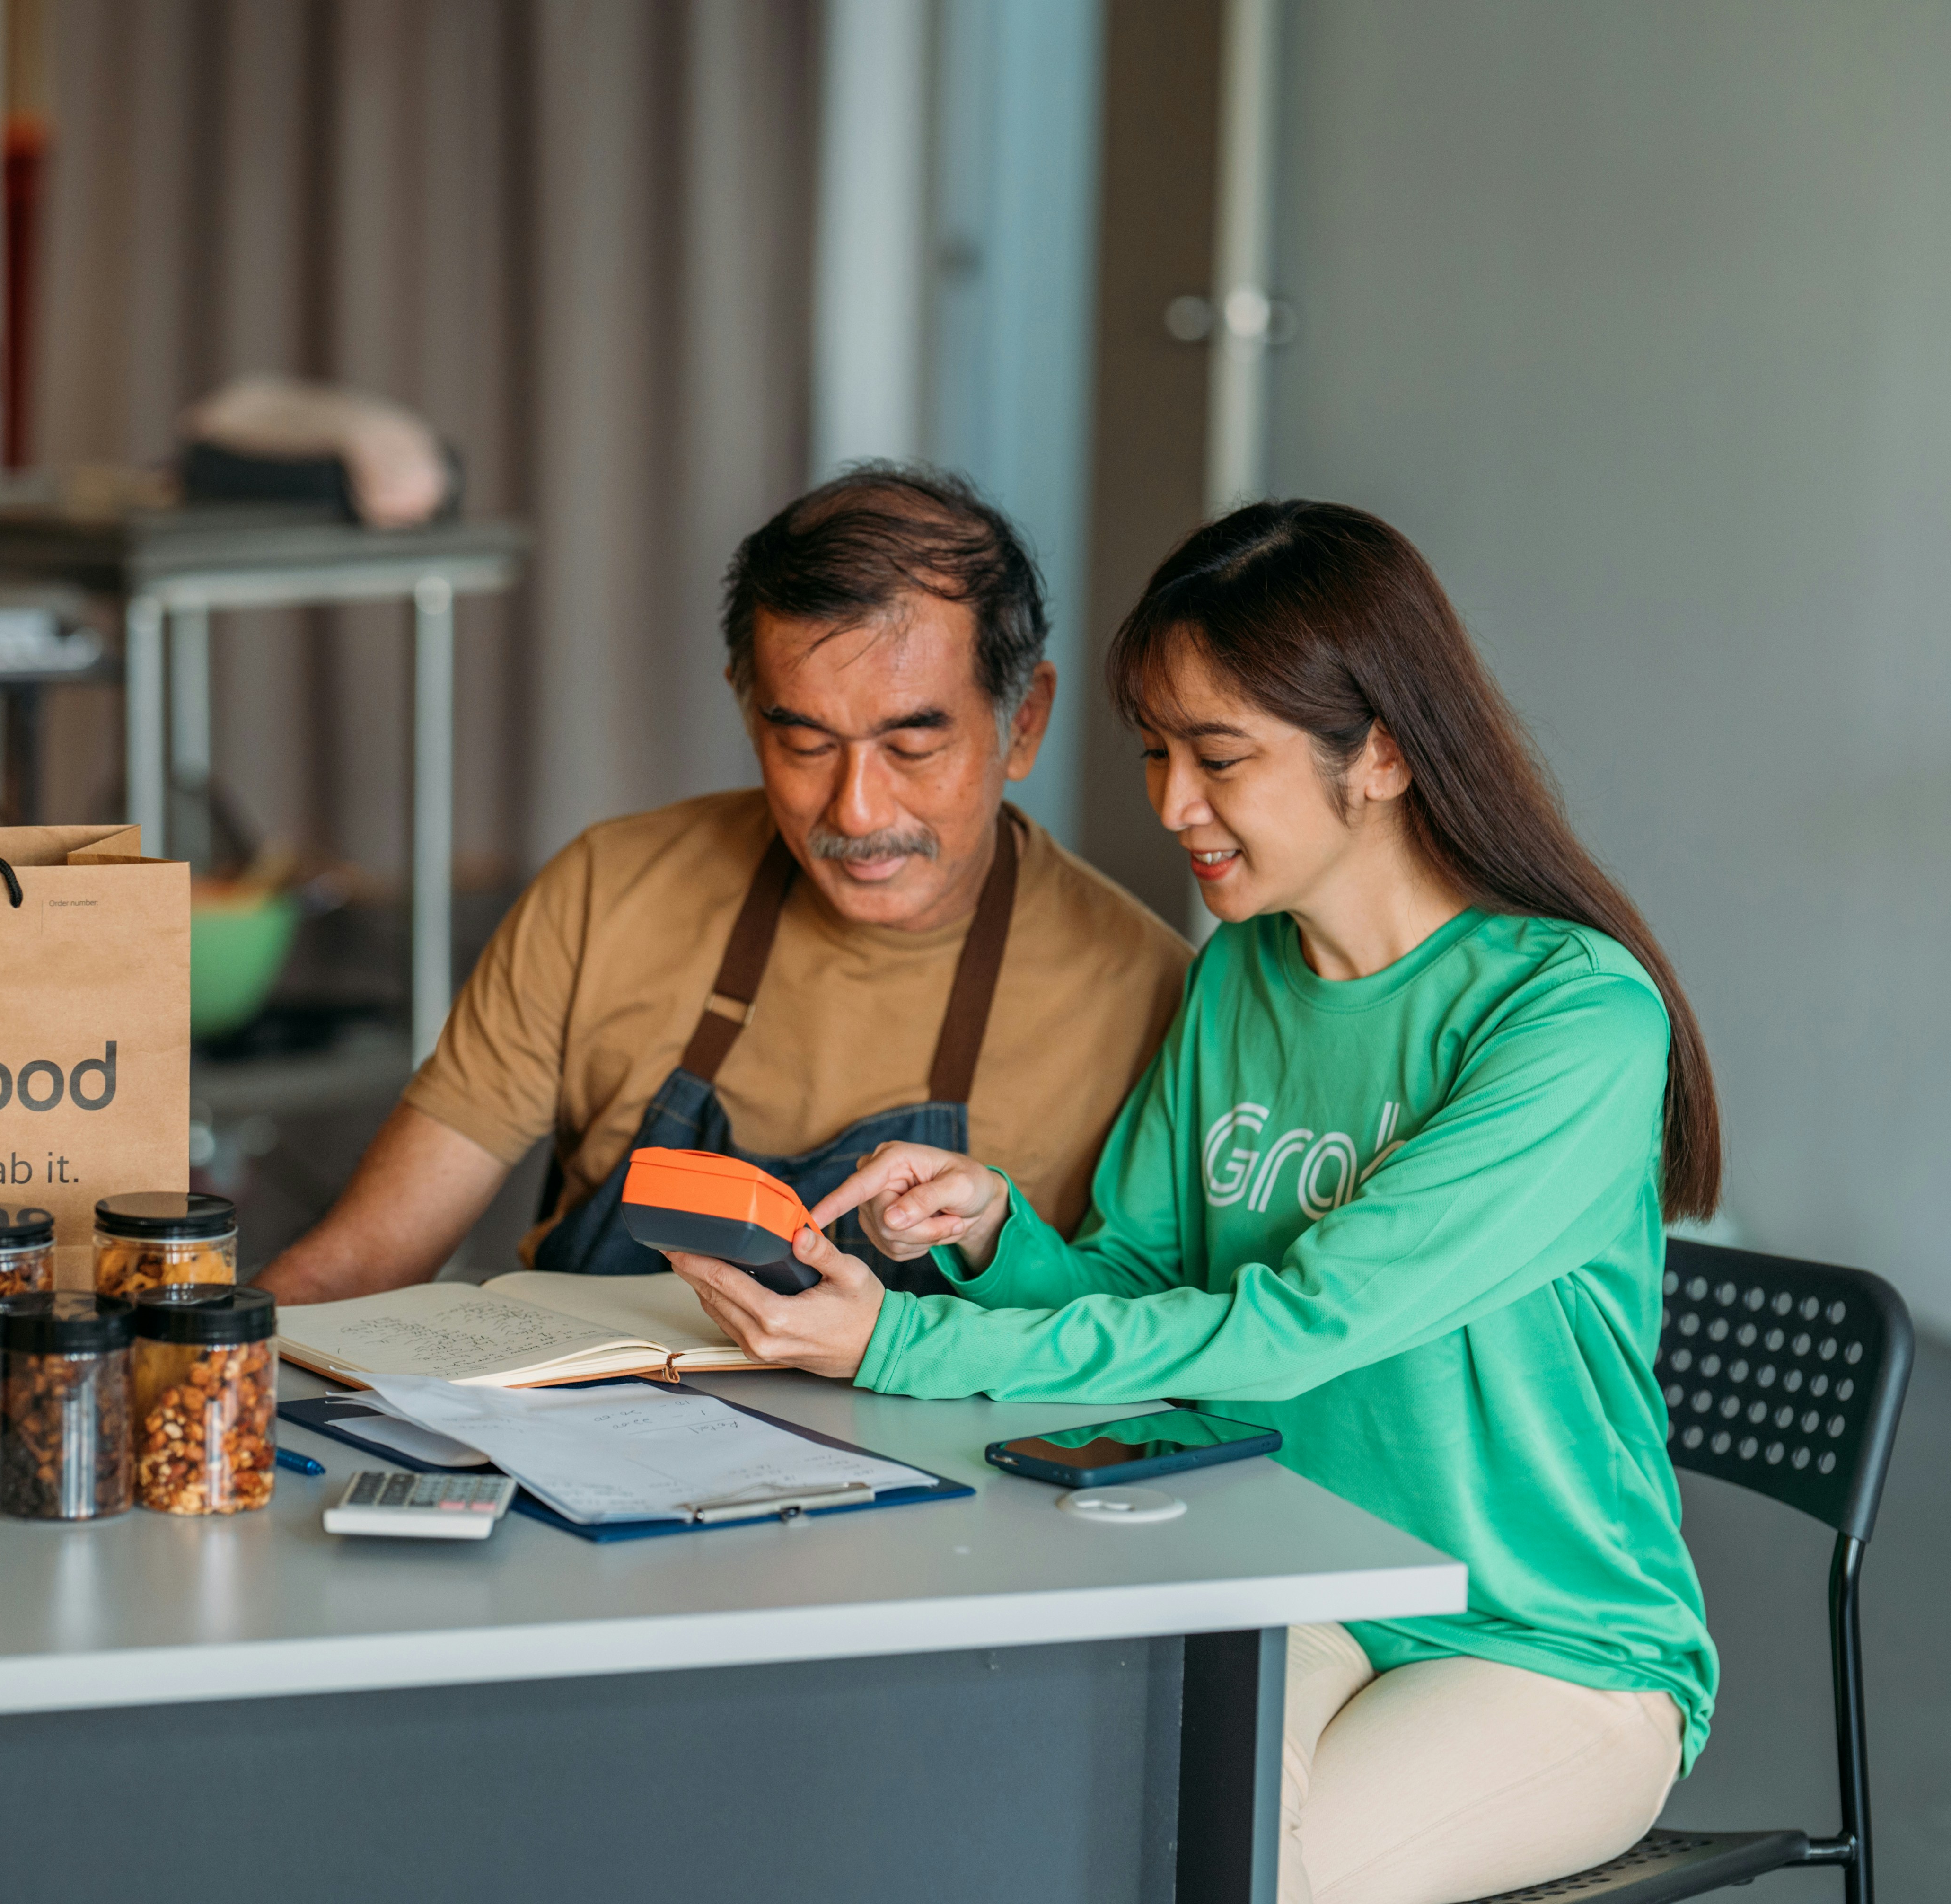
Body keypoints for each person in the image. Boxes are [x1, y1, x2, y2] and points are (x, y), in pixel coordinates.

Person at [660, 501, 1720, 1904]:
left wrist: (908, 1348)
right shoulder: (1243, 975)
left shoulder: (1570, 1019)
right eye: (1157, 752)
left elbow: (1301, 1328)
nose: (1170, 805)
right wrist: (992, 1238)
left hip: (1542, 1642)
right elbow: (1150, 1281)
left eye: (1219, 757)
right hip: (1291, 1571)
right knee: (1088, 1819)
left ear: (1385, 753)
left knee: (1251, 1874)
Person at [255, 465, 1188, 1304]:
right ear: (748, 707)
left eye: (912, 745)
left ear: (1023, 723)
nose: (857, 810)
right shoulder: (608, 892)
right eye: (806, 743)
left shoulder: (1151, 995)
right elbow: (357, 1265)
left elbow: (1151, 1348)